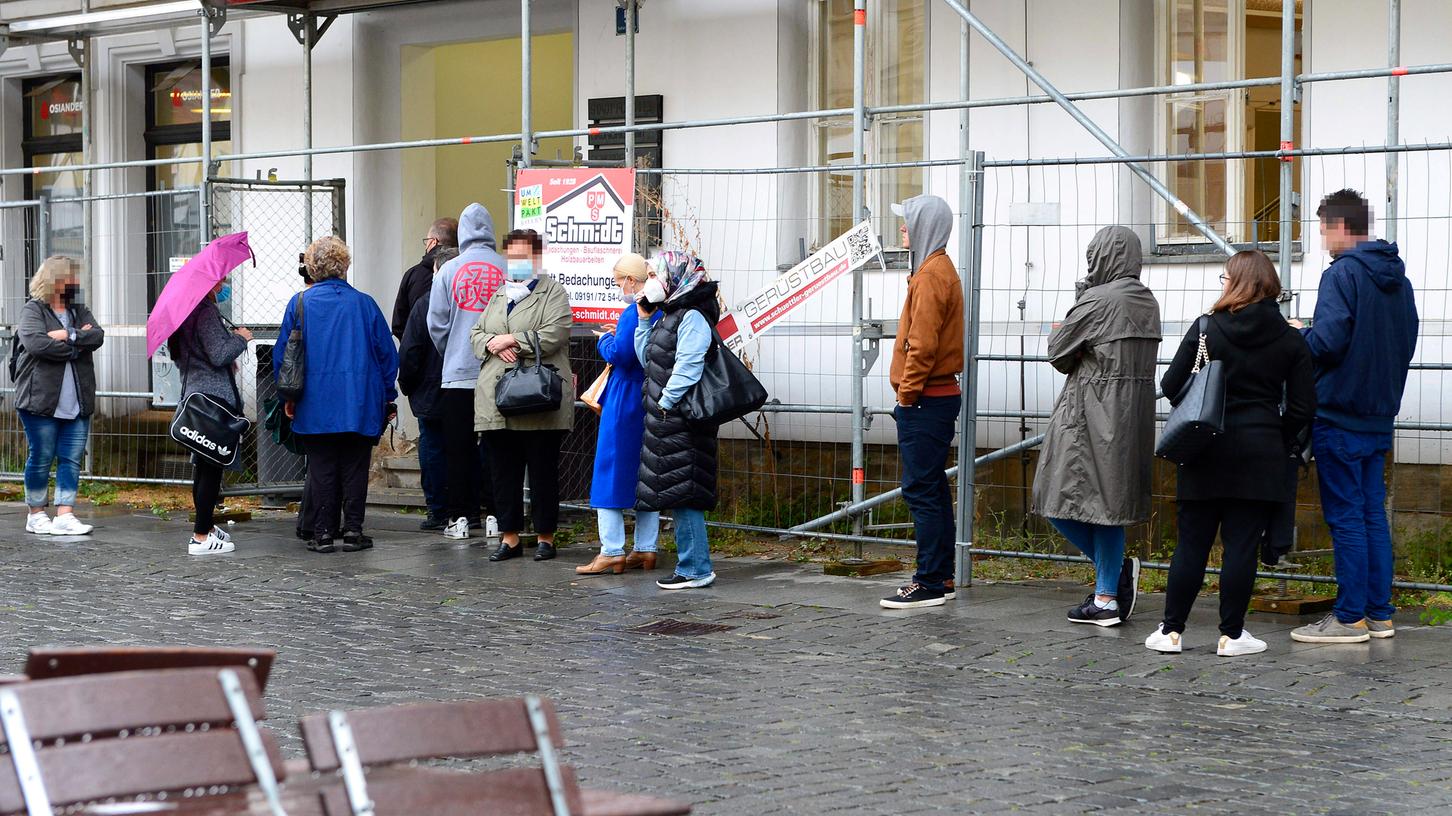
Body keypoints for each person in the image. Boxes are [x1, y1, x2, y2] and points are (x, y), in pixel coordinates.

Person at [1145, 251, 1316, 656]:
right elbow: (1303, 407)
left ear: (1234, 282)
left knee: (1192, 544)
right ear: (1271, 285)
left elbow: (1170, 384)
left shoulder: (1207, 329)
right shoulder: (1291, 338)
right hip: (1261, 453)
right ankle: (1232, 635)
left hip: (1205, 448)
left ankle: (1171, 632)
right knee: (1241, 546)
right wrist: (1278, 435)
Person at [1291, 189, 1419, 645]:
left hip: (1340, 415)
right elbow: (1407, 339)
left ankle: (1348, 619)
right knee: (1370, 516)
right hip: (1379, 415)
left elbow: (1327, 342)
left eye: (1324, 228)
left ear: (1342, 226)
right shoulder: (1397, 280)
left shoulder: (1342, 274)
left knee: (1346, 518)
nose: (1323, 239)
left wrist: (1298, 339)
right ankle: (1379, 615)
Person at [1031, 225, 1161, 626]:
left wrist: (1081, 299)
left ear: (1102, 256)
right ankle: (1110, 584)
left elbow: (1057, 352)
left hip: (1087, 414)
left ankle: (1108, 593)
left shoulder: (1098, 300)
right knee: (1109, 504)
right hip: (1129, 416)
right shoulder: (1146, 300)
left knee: (1053, 497)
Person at [274, 236, 399, 554]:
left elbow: (283, 357)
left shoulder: (299, 303)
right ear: (344, 266)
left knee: (322, 468)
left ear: (312, 268)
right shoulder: (365, 304)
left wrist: (288, 397)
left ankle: (323, 532)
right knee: (356, 468)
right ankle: (354, 530)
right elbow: (387, 355)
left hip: (314, 400)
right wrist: (388, 396)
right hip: (359, 399)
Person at [879, 196, 966, 610]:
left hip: (926, 400)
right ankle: (941, 576)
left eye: (907, 222)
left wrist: (906, 395)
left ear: (925, 226)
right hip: (933, 398)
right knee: (930, 489)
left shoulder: (932, 275)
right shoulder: (932, 270)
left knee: (921, 491)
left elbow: (923, 345)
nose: (902, 229)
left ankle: (929, 581)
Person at [470, 228, 573, 563]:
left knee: (543, 472)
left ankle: (545, 536)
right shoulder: (499, 294)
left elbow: (553, 334)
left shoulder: (552, 292)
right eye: (511, 255)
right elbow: (476, 333)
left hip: (537, 400)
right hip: (497, 401)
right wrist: (491, 343)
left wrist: (511, 340)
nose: (516, 262)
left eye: (523, 255)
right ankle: (509, 536)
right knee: (502, 473)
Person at [634, 251, 720, 590]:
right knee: (678, 492)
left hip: (682, 416)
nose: (649, 281)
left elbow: (689, 365)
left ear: (674, 277)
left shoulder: (692, 316)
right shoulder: (669, 314)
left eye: (655, 274)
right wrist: (643, 321)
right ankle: (691, 565)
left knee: (686, 493)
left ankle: (696, 567)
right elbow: (648, 359)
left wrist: (666, 402)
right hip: (666, 415)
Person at [577, 252, 663, 576]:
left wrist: (604, 339)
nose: (618, 288)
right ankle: (646, 547)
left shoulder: (632, 312)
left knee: (609, 472)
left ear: (631, 280)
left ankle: (612, 550)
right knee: (645, 475)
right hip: (650, 395)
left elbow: (621, 355)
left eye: (618, 282)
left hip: (624, 397)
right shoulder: (659, 310)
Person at [428, 203, 505, 540]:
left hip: (458, 372)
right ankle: (497, 516)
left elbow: (437, 323)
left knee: (458, 447)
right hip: (501, 371)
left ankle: (460, 517)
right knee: (499, 446)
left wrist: (455, 351)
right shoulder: (507, 268)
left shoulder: (447, 270)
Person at [14, 256, 103, 536]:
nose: (76, 283)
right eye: (71, 278)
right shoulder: (33, 310)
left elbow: (98, 336)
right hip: (39, 400)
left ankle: (65, 513)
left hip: (77, 401)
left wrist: (67, 334)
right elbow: (36, 344)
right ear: (56, 281)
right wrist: (78, 345)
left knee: (71, 458)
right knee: (40, 457)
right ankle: (36, 513)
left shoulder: (79, 310)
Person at [169, 277, 251, 556]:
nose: (226, 284)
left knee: (203, 466)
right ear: (212, 284)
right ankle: (201, 536)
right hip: (212, 399)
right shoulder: (204, 311)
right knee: (211, 468)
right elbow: (218, 354)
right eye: (223, 280)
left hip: (196, 393)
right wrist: (240, 338)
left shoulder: (185, 311)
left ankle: (206, 527)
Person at [398, 246, 458, 530]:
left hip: (430, 389)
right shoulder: (471, 301)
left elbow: (410, 349)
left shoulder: (425, 303)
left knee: (432, 448)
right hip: (464, 387)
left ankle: (438, 511)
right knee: (465, 447)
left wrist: (407, 385)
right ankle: (467, 509)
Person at [392, 217, 458, 340]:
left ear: (433, 242)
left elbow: (398, 324)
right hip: (455, 351)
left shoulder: (413, 275)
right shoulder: (465, 274)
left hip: (419, 351)